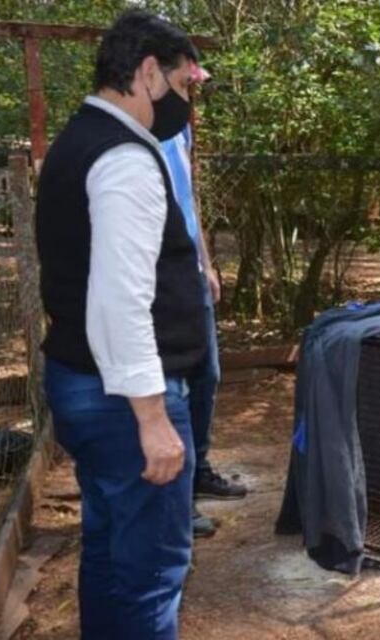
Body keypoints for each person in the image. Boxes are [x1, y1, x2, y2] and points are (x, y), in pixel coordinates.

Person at [35, 11, 206, 637]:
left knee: (110, 549)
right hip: (123, 400)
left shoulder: (77, 140)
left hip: (84, 383)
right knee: (152, 572)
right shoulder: (124, 158)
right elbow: (119, 301)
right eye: (184, 86)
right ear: (148, 73)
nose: (185, 103)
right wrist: (153, 418)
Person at [159, 70, 247, 541]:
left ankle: (198, 471)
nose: (192, 94)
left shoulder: (181, 127)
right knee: (173, 387)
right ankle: (179, 499)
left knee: (206, 375)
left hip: (190, 270)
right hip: (161, 281)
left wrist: (206, 261)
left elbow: (187, 197)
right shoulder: (136, 135)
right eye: (186, 83)